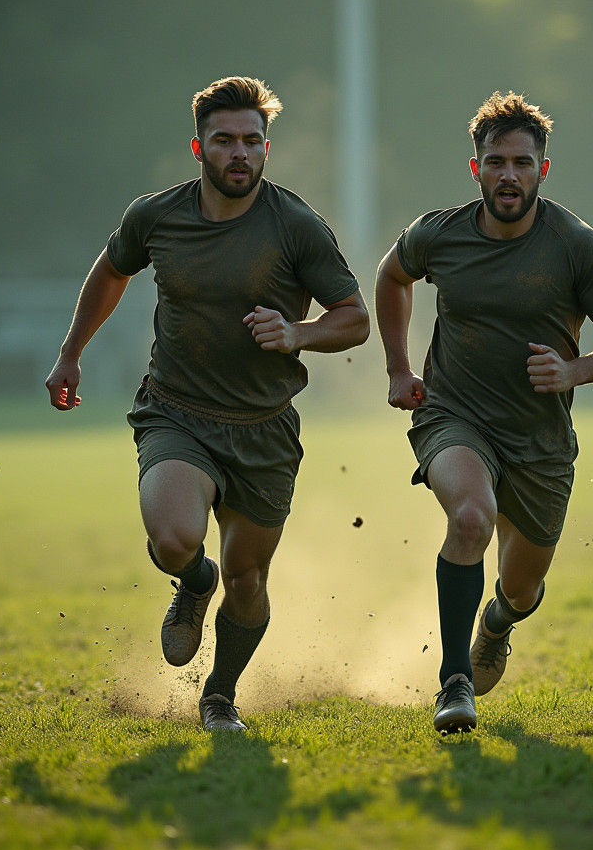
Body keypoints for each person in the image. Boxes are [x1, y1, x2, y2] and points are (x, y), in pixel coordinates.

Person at [46, 76, 369, 732]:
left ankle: (219, 695)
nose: (240, 153)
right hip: (177, 413)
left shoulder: (298, 227)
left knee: (248, 580)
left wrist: (298, 333)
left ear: (266, 150)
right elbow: (112, 270)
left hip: (265, 430)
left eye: (253, 141)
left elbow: (355, 318)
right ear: (200, 147)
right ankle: (195, 580)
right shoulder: (156, 215)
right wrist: (71, 350)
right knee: (172, 540)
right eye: (225, 141)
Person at [375, 91, 593, 734]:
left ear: (542, 170)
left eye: (522, 163)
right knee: (471, 519)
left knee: (522, 592)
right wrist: (396, 366)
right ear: (475, 168)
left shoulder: (576, 246)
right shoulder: (438, 233)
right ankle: (454, 681)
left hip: (540, 442)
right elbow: (392, 277)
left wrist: (573, 371)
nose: (508, 175)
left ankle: (495, 623)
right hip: (454, 415)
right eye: (495, 161)